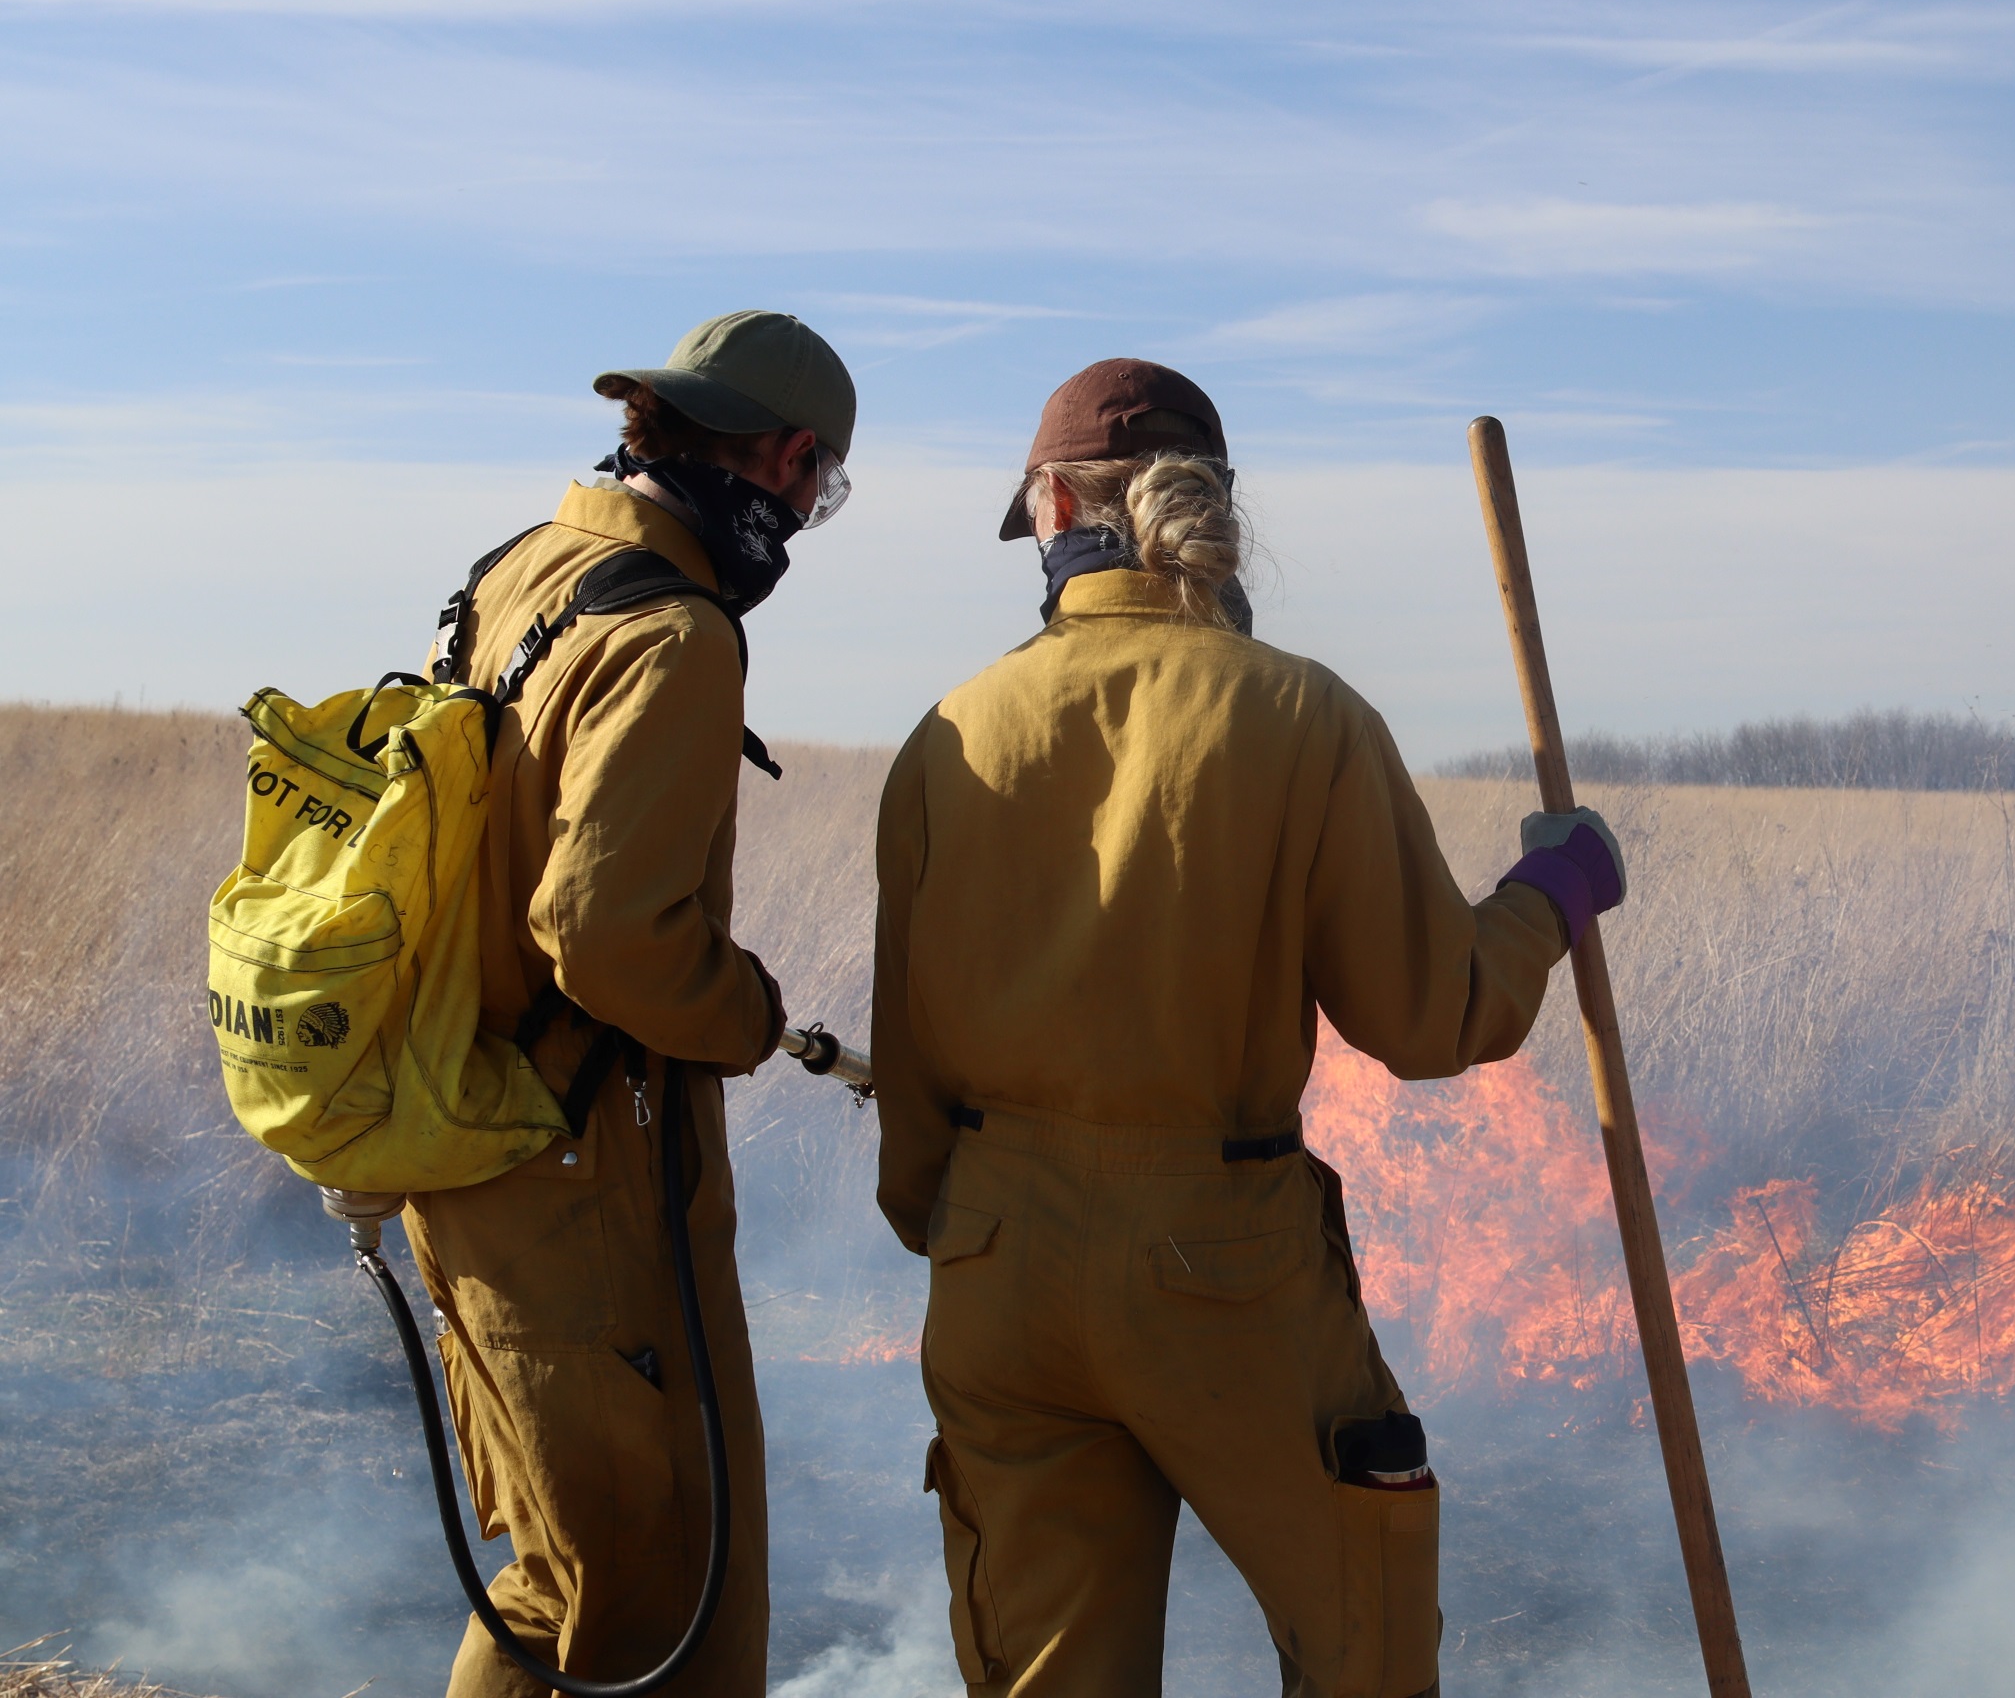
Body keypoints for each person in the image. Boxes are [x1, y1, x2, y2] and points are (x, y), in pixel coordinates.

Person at [871, 358, 1627, 1698]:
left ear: (1053, 506)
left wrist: (970, 1232)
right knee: (1362, 1647)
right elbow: (1432, 1016)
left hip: (993, 1266)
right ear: (1213, 510)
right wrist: (1548, 895)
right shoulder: (1302, 715)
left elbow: (910, 1075)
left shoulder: (949, 734)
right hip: (1218, 1264)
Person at [402, 310, 859, 1698]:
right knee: (658, 1589)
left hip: (469, 1130)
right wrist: (747, 1016)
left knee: (564, 1569)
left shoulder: (523, 572)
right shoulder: (674, 630)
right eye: (817, 489)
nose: (805, 516)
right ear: (783, 459)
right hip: (583, 1169)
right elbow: (603, 937)